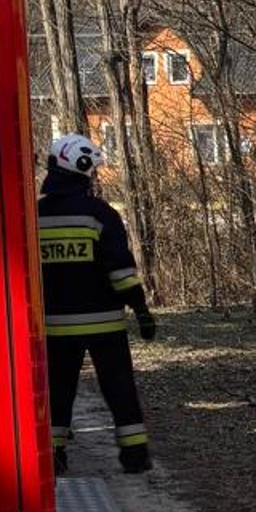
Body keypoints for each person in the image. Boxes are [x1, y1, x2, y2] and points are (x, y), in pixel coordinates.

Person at [39, 134, 157, 475]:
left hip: (56, 326)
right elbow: (121, 271)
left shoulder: (36, 216)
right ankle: (134, 456)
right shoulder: (100, 214)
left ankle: (55, 455)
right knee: (119, 389)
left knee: (58, 391)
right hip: (104, 324)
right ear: (82, 167)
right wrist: (141, 309)